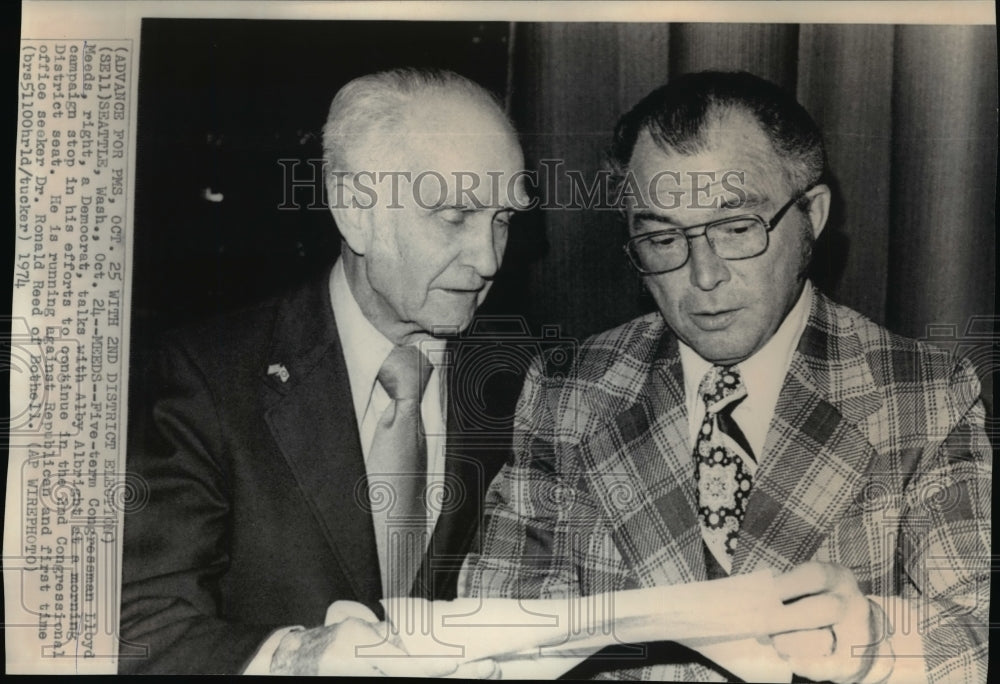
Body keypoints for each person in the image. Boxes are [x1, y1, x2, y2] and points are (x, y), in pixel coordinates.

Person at [460, 71, 991, 683]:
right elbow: (496, 632)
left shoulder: (923, 395)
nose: (704, 276)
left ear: (811, 216)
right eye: (662, 237)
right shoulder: (565, 393)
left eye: (737, 228)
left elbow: (977, 626)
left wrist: (874, 641)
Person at [119, 67, 527, 675]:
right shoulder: (203, 376)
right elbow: (137, 623)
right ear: (353, 209)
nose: (488, 258)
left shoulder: (528, 384)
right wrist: (292, 658)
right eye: (454, 216)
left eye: (504, 219)